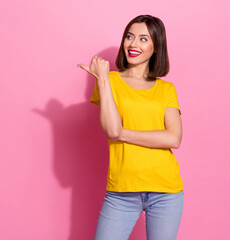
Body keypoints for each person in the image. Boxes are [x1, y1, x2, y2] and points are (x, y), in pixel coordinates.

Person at [77, 14, 184, 240]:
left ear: (156, 47)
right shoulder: (110, 82)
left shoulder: (166, 89)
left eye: (143, 39)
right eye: (129, 36)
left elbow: (173, 138)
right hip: (121, 191)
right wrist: (103, 80)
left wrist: (123, 134)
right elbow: (111, 129)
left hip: (166, 190)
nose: (133, 44)